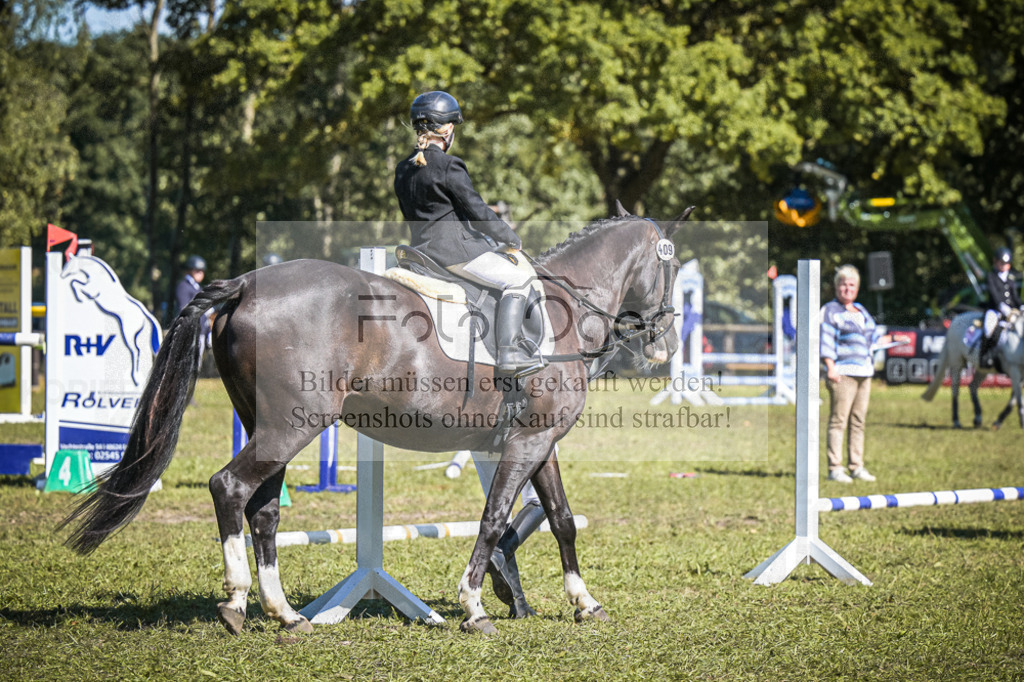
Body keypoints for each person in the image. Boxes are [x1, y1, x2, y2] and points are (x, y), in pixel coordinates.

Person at [393, 90, 541, 374]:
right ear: (447, 129)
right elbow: (477, 210)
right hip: (454, 253)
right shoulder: (449, 165)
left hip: (420, 253)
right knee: (519, 281)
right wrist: (508, 237)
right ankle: (509, 354)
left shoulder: (403, 168)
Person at [820, 264, 892, 484]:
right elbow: (826, 340)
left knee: (858, 421)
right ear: (836, 287)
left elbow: (871, 339)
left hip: (864, 372)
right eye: (843, 284)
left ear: (857, 288)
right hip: (842, 373)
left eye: (851, 285)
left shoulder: (860, 310)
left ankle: (856, 466)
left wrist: (887, 341)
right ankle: (835, 468)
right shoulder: (831, 310)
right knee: (838, 421)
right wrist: (830, 366)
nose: (847, 288)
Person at [979, 247, 1023, 371]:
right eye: (1001, 263)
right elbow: (993, 294)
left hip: (1011, 311)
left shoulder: (1010, 278)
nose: (1004, 266)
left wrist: (1021, 306)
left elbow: (1014, 296)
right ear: (996, 262)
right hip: (995, 310)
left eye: (1006, 264)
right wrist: (1001, 306)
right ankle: (985, 356)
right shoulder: (991, 276)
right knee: (988, 329)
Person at [175, 254, 211, 362]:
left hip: (201, 331)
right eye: (197, 271)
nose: (200, 273)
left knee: (197, 363)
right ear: (190, 271)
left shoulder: (198, 288)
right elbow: (184, 309)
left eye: (202, 271)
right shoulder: (183, 286)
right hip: (190, 331)